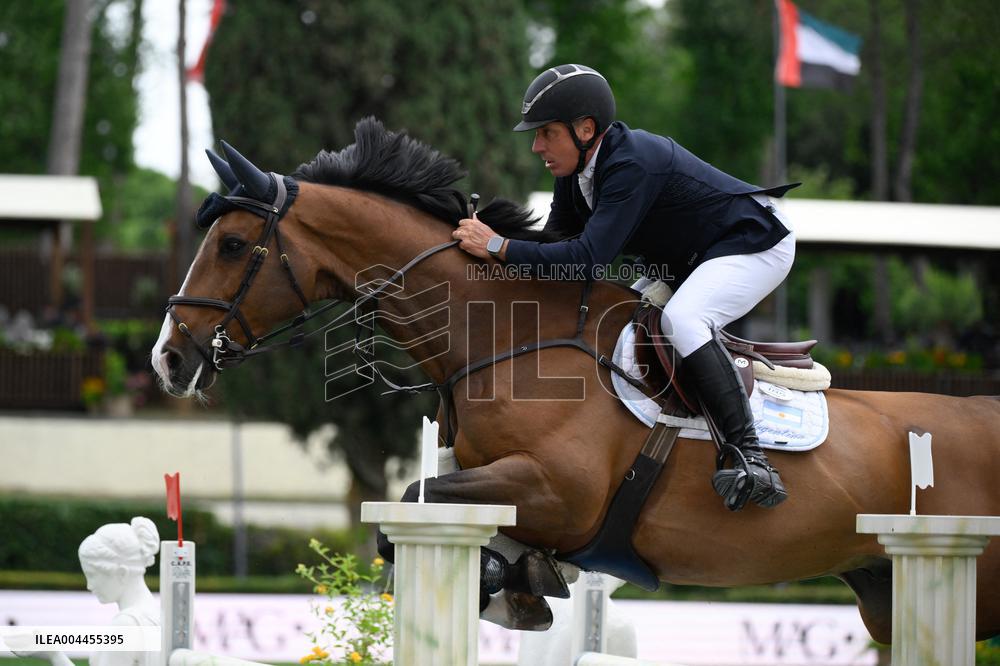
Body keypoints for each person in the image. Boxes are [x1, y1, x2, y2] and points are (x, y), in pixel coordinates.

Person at [453, 63, 796, 511]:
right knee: (617, 316)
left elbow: (586, 260)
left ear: (585, 129)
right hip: (688, 260)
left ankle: (750, 456)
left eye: (546, 133)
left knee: (684, 320)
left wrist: (498, 245)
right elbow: (558, 252)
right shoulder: (573, 175)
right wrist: (489, 246)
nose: (537, 146)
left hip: (753, 242)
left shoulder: (632, 163)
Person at [18, 517, 161, 666]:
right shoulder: (155, 614)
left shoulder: (126, 624)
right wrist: (54, 654)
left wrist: (54, 655)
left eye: (92, 575)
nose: (89, 585)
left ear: (121, 573)